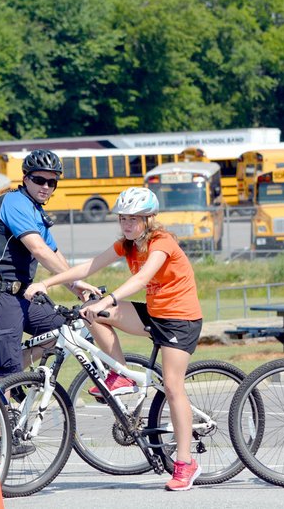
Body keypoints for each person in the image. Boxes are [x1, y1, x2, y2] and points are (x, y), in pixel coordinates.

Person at [25, 186, 203, 491]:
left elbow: (141, 279)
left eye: (133, 219)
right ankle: (121, 376)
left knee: (173, 387)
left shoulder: (162, 242)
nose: (127, 224)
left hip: (181, 319)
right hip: (153, 313)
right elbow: (89, 266)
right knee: (88, 312)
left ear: (149, 219)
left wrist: (107, 300)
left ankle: (185, 462)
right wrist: (47, 281)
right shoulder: (127, 245)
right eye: (123, 218)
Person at [0, 149, 94, 382]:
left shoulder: (36, 212)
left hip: (22, 295)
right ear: (25, 179)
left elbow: (55, 254)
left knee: (63, 330)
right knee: (5, 373)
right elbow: (39, 250)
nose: (46, 186)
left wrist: (77, 288)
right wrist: (73, 280)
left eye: (52, 182)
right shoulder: (14, 202)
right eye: (39, 180)